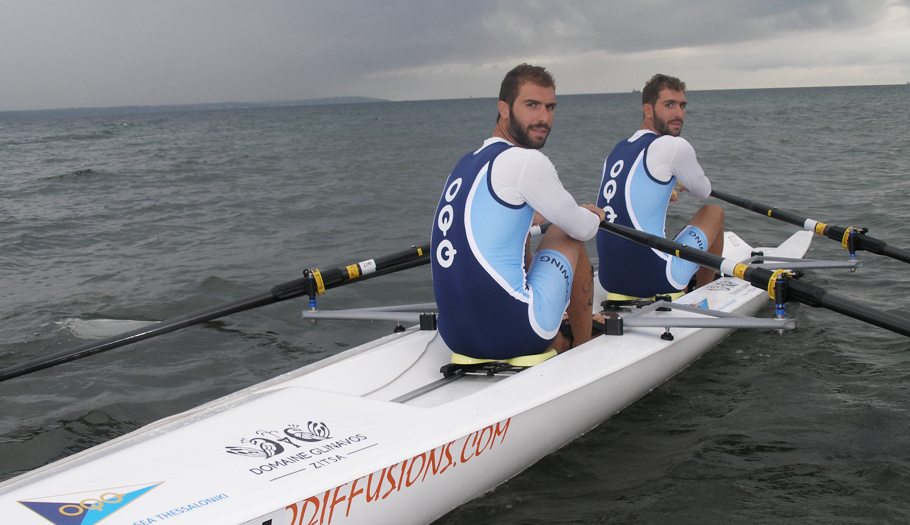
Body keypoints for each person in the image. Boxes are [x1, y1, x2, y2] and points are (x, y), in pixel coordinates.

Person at [431, 64, 606, 360]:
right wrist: (593, 214)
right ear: (504, 108)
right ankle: (582, 348)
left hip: (454, 337)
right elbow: (583, 229)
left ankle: (546, 329)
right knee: (566, 231)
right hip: (511, 334)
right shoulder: (526, 161)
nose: (543, 117)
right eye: (532, 105)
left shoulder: (465, 165)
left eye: (550, 107)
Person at [595, 74, 724, 298]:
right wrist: (682, 180)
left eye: (682, 105)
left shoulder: (619, 149)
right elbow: (703, 191)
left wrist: (669, 188)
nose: (678, 114)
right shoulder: (672, 145)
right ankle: (701, 292)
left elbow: (631, 190)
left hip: (610, 279)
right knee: (714, 212)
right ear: (648, 110)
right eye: (669, 105)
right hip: (654, 278)